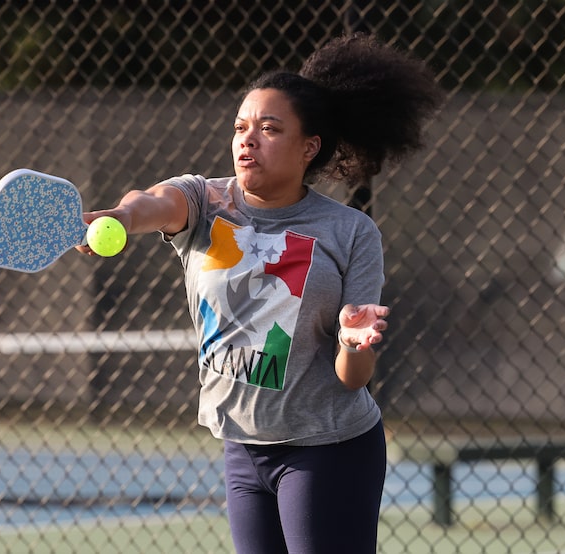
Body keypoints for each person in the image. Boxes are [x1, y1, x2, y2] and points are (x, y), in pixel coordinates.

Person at [78, 34, 443, 554]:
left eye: (270, 129)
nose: (248, 139)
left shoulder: (350, 232)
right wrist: (120, 217)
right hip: (243, 447)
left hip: (328, 448)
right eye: (241, 127)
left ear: (309, 147)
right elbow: (151, 201)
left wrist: (355, 343)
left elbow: (352, 379)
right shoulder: (206, 201)